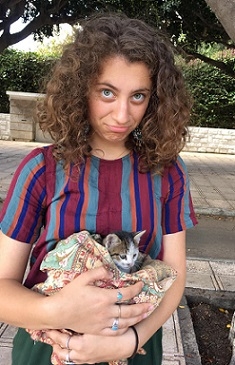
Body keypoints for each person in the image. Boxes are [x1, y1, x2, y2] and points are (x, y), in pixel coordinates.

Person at [0, 12, 197, 365]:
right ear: (81, 89)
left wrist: (127, 342)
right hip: (47, 352)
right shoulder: (41, 169)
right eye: (107, 92)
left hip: (135, 351)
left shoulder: (167, 173)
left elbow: (175, 278)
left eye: (138, 96)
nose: (122, 114)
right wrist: (58, 310)